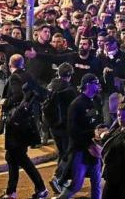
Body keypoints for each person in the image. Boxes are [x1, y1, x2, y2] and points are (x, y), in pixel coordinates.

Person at [1, 54, 49, 199]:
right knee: (12, 157)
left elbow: (17, 96)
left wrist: (5, 101)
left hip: (16, 124)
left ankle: (41, 188)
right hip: (26, 122)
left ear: (10, 65)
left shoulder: (15, 78)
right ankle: (11, 192)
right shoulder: (28, 76)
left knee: (20, 158)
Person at [55, 73, 103, 199]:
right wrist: (88, 142)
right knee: (76, 184)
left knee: (97, 183)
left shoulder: (97, 100)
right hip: (80, 151)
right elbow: (72, 130)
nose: (98, 85)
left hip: (95, 150)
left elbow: (99, 122)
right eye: (95, 83)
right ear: (87, 85)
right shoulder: (76, 104)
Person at [45, 63, 78, 194]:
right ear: (69, 75)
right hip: (65, 126)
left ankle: (62, 179)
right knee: (68, 153)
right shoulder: (69, 90)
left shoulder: (50, 86)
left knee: (61, 151)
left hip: (53, 125)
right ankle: (58, 177)